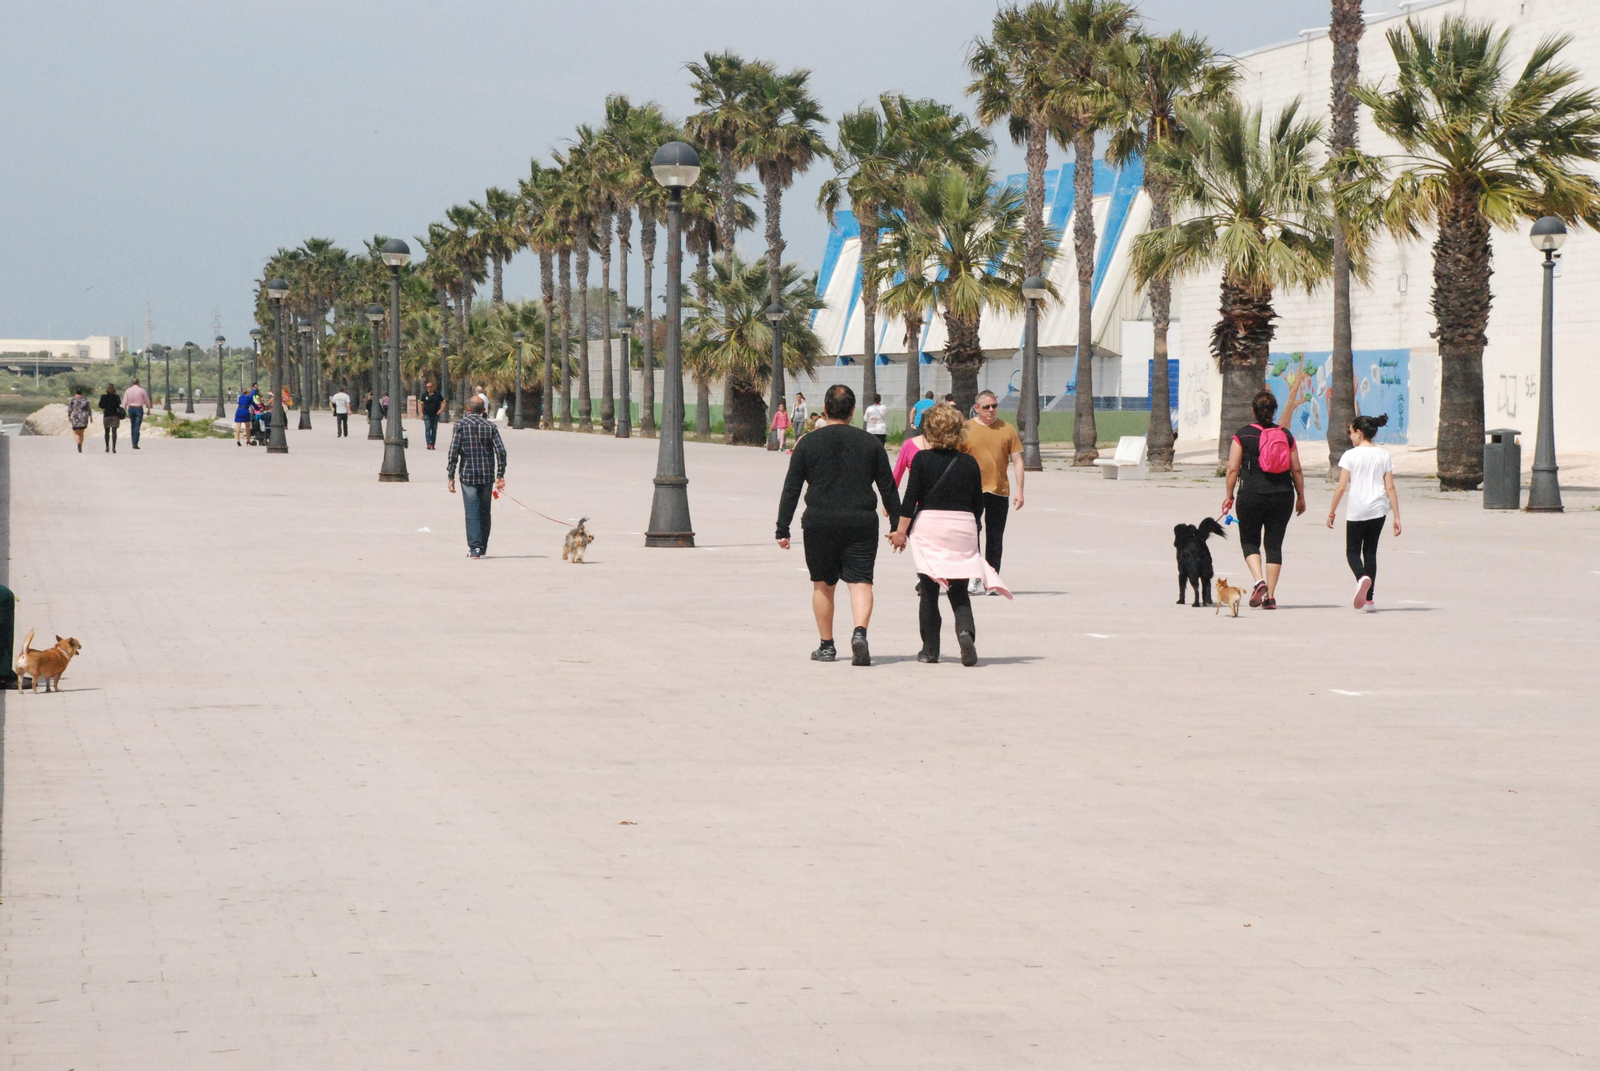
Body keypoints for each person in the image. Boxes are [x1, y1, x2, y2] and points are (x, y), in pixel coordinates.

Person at [775, 384, 901, 666]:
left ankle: (827, 646)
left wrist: (782, 528)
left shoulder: (807, 442)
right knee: (860, 582)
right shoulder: (871, 444)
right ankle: (859, 633)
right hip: (861, 521)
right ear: (853, 411)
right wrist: (896, 525)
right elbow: (888, 488)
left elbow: (791, 489)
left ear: (826, 408)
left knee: (823, 585)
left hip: (820, 521)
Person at [889, 403, 1010, 666]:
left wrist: (900, 532)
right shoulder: (969, 462)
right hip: (964, 525)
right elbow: (977, 504)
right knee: (959, 589)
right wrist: (971, 530)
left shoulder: (921, 460)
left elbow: (910, 500)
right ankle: (965, 632)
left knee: (930, 589)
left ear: (930, 430)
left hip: (930, 525)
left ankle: (930, 650)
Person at [1221, 389, 1307, 611]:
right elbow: (1296, 468)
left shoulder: (1243, 435)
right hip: (1282, 495)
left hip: (1251, 495)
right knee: (1274, 544)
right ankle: (1271, 596)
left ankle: (1259, 581)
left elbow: (1232, 469)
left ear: (1253, 410)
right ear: (1274, 410)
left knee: (1250, 541)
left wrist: (1229, 496)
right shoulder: (1286, 435)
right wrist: (1301, 496)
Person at [1327, 413, 1401, 612]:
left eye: (1350, 432)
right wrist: (1396, 516)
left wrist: (1332, 512)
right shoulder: (1383, 454)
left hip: (1357, 510)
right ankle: (1369, 600)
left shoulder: (1350, 455)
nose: (1349, 436)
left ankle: (1361, 578)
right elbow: (1390, 487)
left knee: (1352, 552)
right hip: (1378, 510)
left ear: (1359, 433)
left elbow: (1341, 487)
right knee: (1370, 552)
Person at [962, 390, 1024, 594]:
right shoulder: (965, 429)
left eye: (994, 406)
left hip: (999, 490)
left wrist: (1020, 490)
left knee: (995, 537)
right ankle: (974, 575)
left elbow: (1017, 460)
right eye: (986, 407)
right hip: (972, 491)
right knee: (972, 535)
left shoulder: (1007, 429)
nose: (991, 410)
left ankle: (992, 578)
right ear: (977, 408)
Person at [445, 396, 507, 559]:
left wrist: (450, 475)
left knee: (472, 511)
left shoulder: (460, 425)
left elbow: (454, 450)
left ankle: (475, 548)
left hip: (468, 474)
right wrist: (500, 474)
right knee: (485, 511)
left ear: (468, 409)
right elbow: (501, 451)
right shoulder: (490, 426)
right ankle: (482, 546)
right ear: (484, 410)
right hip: (487, 475)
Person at [121, 377, 151, 449]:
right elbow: (147, 400)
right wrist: (148, 408)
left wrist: (123, 409)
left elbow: (124, 401)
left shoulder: (128, 390)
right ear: (138, 383)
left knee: (133, 425)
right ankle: (135, 443)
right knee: (137, 426)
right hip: (139, 409)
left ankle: (133, 441)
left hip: (131, 409)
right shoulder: (142, 390)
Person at [97, 383, 122, 453]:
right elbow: (118, 404)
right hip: (115, 415)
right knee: (114, 432)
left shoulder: (103, 396)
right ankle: (114, 447)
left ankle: (107, 446)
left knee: (106, 431)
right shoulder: (116, 396)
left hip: (107, 415)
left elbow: (101, 405)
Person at [420, 380, 445, 450]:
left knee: (434, 429)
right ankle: (428, 443)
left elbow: (444, 402)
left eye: (430, 387)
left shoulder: (437, 395)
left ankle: (432, 444)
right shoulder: (424, 395)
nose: (428, 388)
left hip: (435, 415)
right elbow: (421, 404)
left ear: (433, 387)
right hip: (427, 414)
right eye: (427, 387)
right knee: (428, 428)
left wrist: (441, 410)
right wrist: (421, 413)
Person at [68, 386, 91, 452]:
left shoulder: (72, 399)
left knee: (75, 432)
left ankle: (78, 443)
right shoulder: (85, 399)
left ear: (76, 391)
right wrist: (90, 416)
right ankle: (80, 444)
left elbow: (70, 408)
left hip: (75, 416)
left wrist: (69, 415)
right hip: (84, 416)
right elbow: (88, 408)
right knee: (82, 432)